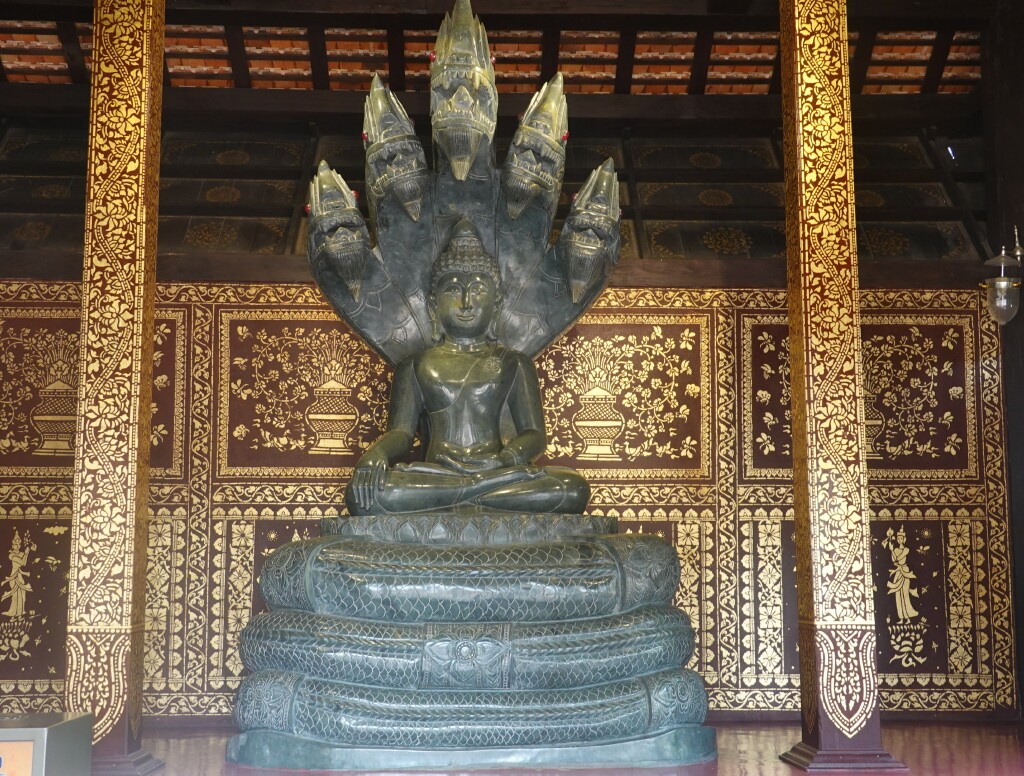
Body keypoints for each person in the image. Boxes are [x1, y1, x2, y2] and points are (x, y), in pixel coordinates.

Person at [345, 221, 588, 515]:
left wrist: (504, 460)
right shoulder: (415, 364)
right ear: (433, 306)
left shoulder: (513, 362)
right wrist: (376, 453)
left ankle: (464, 494)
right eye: (453, 290)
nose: (465, 302)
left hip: (498, 473)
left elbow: (535, 435)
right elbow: (402, 434)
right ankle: (471, 494)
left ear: (496, 305)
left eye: (477, 290)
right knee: (364, 495)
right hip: (436, 475)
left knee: (572, 486)